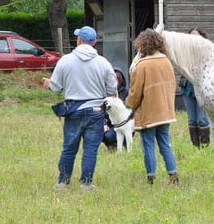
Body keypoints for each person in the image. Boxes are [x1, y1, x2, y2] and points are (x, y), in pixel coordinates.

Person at [42, 26, 117, 190]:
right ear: (95, 42)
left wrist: (48, 84)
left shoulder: (65, 60)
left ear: (79, 40)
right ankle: (86, 182)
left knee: (69, 148)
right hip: (96, 111)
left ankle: (63, 182)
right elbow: (112, 90)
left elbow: (56, 88)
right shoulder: (103, 63)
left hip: (73, 110)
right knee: (90, 150)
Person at [125, 28, 179, 186]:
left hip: (148, 113)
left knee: (148, 145)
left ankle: (151, 178)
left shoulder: (142, 66)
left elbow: (135, 93)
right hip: (166, 112)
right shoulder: (167, 62)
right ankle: (173, 175)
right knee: (165, 144)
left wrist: (130, 105)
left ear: (144, 45)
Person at [180, 26, 211, 147]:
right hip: (187, 87)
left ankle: (205, 145)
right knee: (192, 119)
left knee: (202, 119)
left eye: (196, 36)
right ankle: (196, 146)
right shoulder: (185, 53)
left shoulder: (207, 51)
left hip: (202, 88)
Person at [102, 67, 129, 150]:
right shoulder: (105, 93)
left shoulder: (126, 92)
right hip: (110, 122)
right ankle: (110, 146)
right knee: (98, 132)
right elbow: (101, 111)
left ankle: (123, 143)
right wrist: (104, 124)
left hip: (124, 123)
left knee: (111, 135)